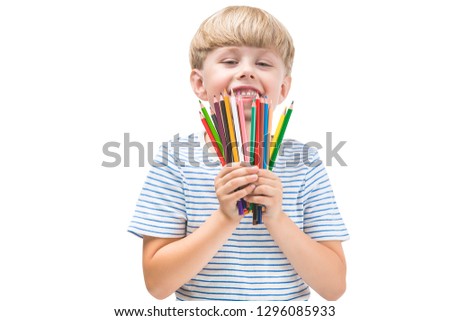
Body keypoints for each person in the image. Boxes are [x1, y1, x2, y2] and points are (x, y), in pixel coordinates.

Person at [128, 5, 349, 301]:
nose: (246, 70)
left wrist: (277, 218)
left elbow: (334, 287)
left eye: (264, 64)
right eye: (230, 61)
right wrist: (225, 218)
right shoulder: (175, 160)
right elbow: (157, 284)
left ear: (282, 88)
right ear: (199, 84)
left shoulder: (305, 163)